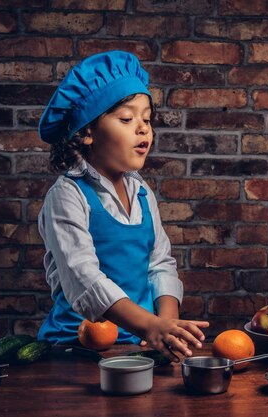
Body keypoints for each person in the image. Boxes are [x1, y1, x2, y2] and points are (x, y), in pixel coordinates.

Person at [36, 51, 208, 361]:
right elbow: (83, 278)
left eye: (147, 119)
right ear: (88, 132)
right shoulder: (67, 196)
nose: (143, 129)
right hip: (76, 349)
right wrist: (149, 325)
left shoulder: (142, 192)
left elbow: (160, 264)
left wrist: (166, 324)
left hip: (141, 344)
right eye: (127, 119)